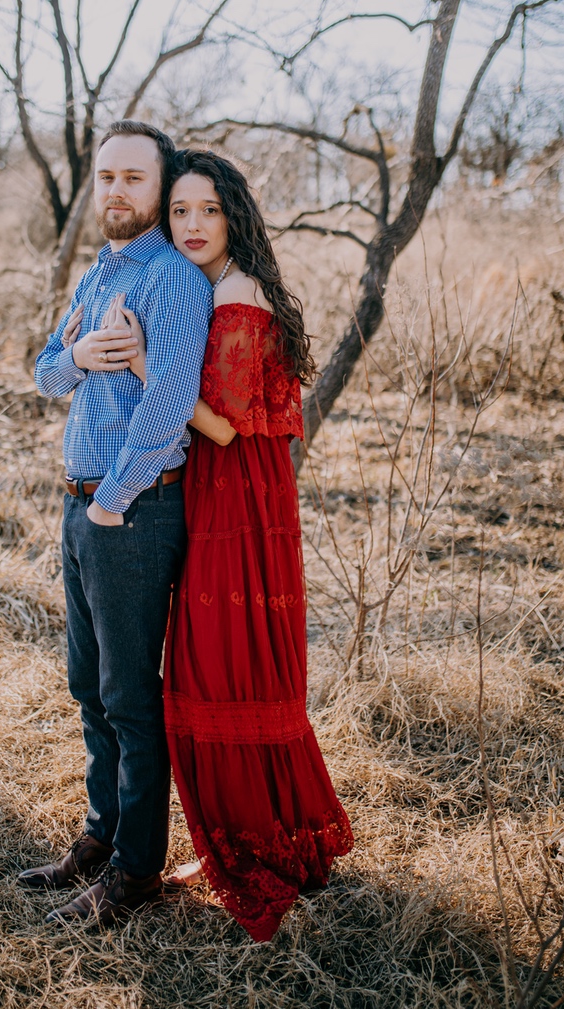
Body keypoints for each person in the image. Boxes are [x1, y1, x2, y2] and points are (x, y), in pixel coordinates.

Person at [120, 149, 353, 942]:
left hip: (238, 494)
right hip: (234, 487)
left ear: (234, 216)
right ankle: (259, 825)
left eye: (206, 210)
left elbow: (220, 421)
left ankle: (255, 841)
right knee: (226, 659)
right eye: (178, 211)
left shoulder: (238, 293)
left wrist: (151, 365)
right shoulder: (220, 285)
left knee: (219, 662)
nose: (190, 225)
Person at [21, 121, 212, 927]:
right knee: (87, 687)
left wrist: (112, 500)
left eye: (134, 178)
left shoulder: (170, 278)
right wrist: (85, 358)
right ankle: (100, 838)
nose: (116, 192)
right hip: (80, 501)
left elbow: (168, 407)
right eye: (105, 177)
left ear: (158, 185)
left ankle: (136, 869)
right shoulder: (100, 270)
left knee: (130, 698)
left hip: (128, 509)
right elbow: (44, 371)